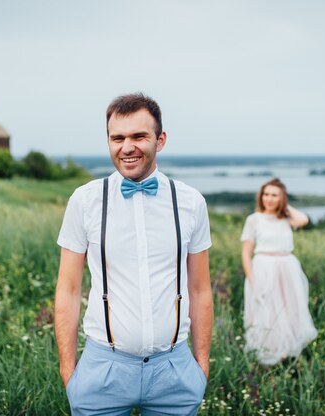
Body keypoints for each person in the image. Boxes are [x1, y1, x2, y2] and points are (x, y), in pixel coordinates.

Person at [54, 93, 213, 415]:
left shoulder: (191, 202)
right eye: (118, 138)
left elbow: (200, 288)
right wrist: (69, 372)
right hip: (102, 370)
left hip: (175, 370)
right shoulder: (85, 201)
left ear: (160, 139)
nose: (127, 147)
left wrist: (201, 367)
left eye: (139, 136)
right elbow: (68, 289)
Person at [240, 178, 317, 366]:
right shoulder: (254, 219)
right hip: (263, 269)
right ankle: (268, 355)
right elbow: (246, 254)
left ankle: (289, 353)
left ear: (282, 198)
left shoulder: (286, 218)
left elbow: (304, 220)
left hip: (287, 269)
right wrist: (252, 281)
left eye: (274, 195)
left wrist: (285, 206)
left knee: (289, 310)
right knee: (266, 312)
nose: (269, 199)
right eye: (266, 194)